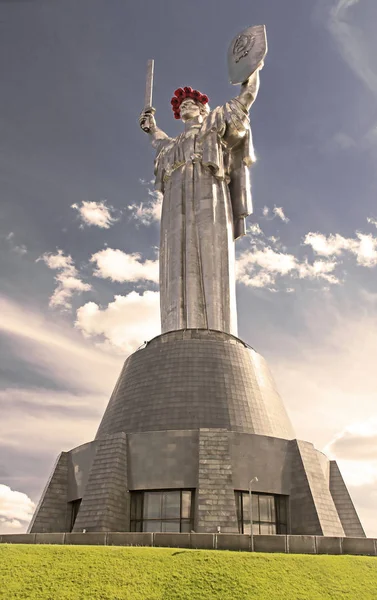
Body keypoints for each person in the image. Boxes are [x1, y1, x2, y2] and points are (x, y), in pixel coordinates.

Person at [139, 66, 262, 336]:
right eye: (181, 106)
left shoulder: (213, 125)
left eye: (190, 104)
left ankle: (216, 329)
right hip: (176, 197)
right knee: (176, 252)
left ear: (202, 109)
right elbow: (159, 142)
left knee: (209, 248)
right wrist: (151, 129)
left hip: (209, 188)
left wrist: (251, 69)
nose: (184, 107)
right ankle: (177, 329)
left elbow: (245, 100)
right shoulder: (173, 145)